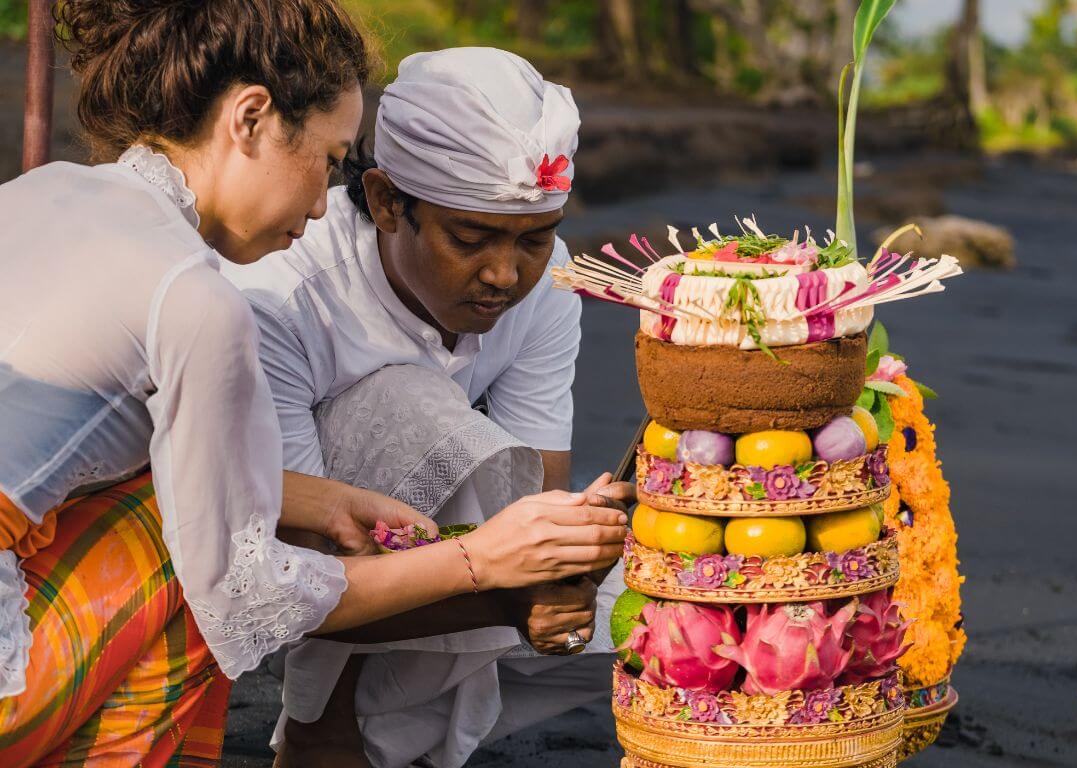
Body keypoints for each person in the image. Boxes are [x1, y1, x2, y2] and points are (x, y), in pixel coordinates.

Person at [0, 5, 625, 766]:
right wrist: (481, 562)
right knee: (206, 563)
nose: (329, 202)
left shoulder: (47, 190)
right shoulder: (201, 299)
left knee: (191, 506)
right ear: (251, 120)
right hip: (11, 679)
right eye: (329, 163)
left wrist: (320, 499)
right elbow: (248, 596)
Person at [224, 48, 626, 767]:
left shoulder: (548, 284)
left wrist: (547, 576)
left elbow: (539, 491)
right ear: (385, 202)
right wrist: (505, 588)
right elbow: (293, 578)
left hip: (448, 570)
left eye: (534, 239)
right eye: (469, 239)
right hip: (261, 582)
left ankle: (379, 736)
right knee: (405, 401)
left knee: (676, 604)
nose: (505, 275)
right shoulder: (280, 298)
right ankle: (327, 723)